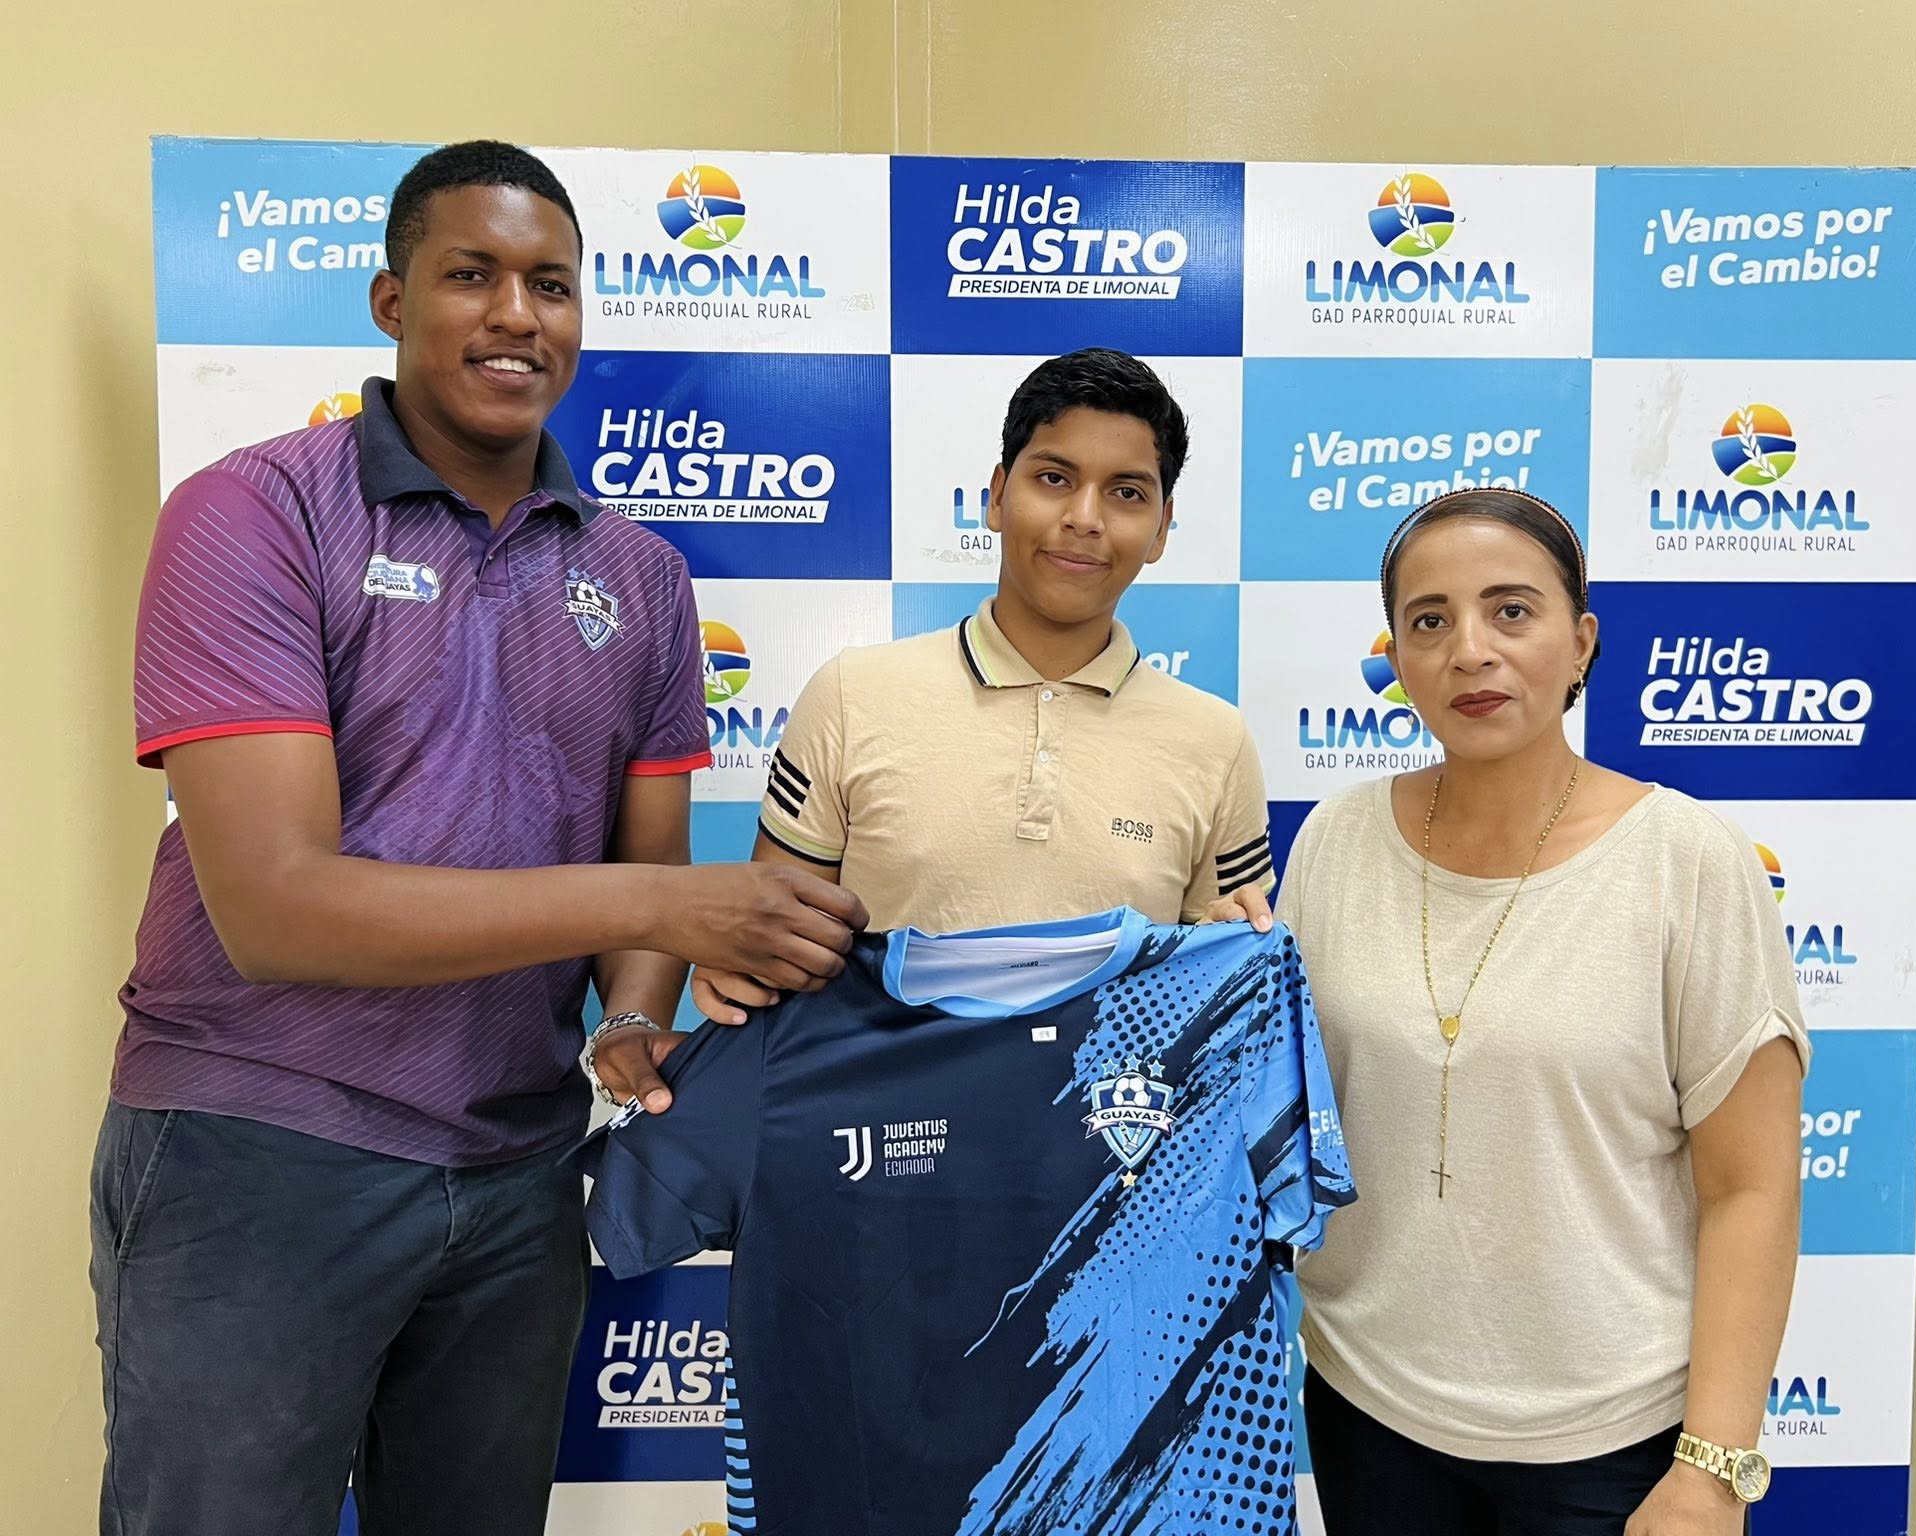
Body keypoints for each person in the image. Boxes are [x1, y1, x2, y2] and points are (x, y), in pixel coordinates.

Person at [90, 141, 862, 1536]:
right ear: (391, 302)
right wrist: (664, 910)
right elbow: (276, 907)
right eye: (472, 275)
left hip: (516, 1173)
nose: (517, 314)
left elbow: (643, 881)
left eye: (551, 285)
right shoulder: (255, 511)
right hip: (258, 1144)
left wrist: (634, 1020)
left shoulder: (641, 575)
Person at [1272, 487, 1808, 1535]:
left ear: (1581, 643)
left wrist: (1711, 1469)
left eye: (1510, 611)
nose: (1470, 650)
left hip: (1610, 1439)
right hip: (1368, 1404)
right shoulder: (1335, 840)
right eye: (1429, 621)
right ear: (1397, 657)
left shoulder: (1687, 862)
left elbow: (1751, 1185)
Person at [649, 348, 1277, 1046]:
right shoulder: (852, 695)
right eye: (1054, 478)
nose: (1085, 517)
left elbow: (1218, 994)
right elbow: (772, 952)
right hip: (875, 1109)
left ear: (1161, 528)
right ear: (997, 496)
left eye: (1127, 493)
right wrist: (742, 966)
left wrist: (1233, 953)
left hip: (1105, 1114)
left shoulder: (1216, 743)